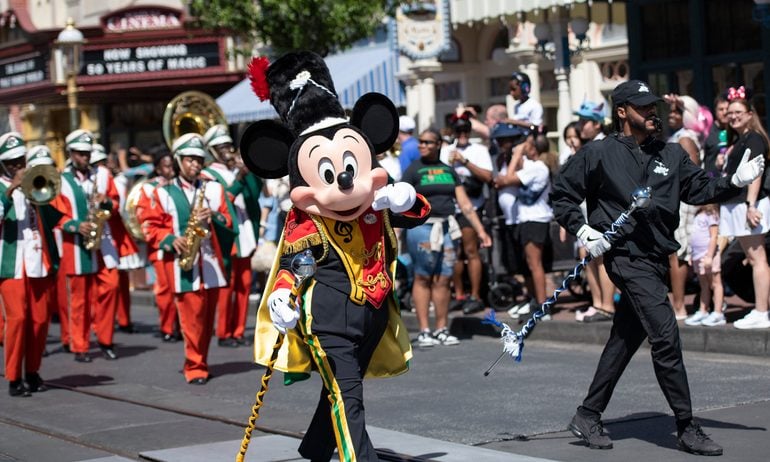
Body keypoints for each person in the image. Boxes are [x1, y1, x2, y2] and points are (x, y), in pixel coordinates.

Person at [552, 79, 764, 456]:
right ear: (622, 112)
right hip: (626, 256)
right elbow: (562, 196)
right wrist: (583, 230)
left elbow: (700, 189)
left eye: (654, 106)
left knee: (625, 339)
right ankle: (686, 426)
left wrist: (733, 182)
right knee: (665, 336)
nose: (653, 112)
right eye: (644, 107)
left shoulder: (671, 153)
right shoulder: (597, 153)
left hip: (656, 259)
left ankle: (587, 414)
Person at [143, 133, 235, 384]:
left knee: (206, 319)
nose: (195, 164)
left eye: (198, 159)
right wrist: (171, 240)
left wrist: (214, 216)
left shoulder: (214, 188)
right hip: (183, 264)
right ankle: (195, 366)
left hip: (211, 262)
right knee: (191, 319)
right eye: (190, 159)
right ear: (178, 161)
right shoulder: (163, 192)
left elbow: (229, 221)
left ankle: (200, 360)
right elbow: (149, 226)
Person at [51, 129, 140, 363]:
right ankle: (80, 345)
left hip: (104, 242)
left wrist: (107, 202)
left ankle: (105, 339)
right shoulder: (61, 180)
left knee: (110, 287)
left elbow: (116, 202)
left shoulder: (102, 174)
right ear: (71, 153)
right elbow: (55, 214)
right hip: (76, 245)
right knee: (79, 298)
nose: (85, 157)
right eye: (80, 153)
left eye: (87, 153)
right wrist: (74, 225)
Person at [402, 128, 492, 347]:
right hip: (421, 228)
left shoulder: (448, 170)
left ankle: (442, 328)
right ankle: (424, 330)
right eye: (421, 141)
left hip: (447, 227)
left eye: (428, 142)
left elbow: (465, 204)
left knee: (444, 278)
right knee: (423, 277)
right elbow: (401, 203)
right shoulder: (413, 170)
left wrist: (480, 231)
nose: (422, 145)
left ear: (438, 144)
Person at [0, 137, 60, 397]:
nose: (17, 166)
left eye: (20, 161)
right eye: (11, 162)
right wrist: (10, 191)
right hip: (10, 265)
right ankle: (14, 377)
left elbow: (53, 218)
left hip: (37, 261)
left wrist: (39, 197)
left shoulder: (33, 183)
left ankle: (32, 372)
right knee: (17, 319)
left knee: (40, 320)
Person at [201, 124, 261, 347]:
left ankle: (238, 331)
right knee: (228, 284)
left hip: (244, 231)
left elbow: (254, 195)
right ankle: (224, 332)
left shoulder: (236, 168)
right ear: (213, 151)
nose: (227, 151)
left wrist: (248, 172)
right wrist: (238, 179)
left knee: (244, 284)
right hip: (227, 233)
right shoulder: (207, 175)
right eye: (222, 147)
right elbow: (222, 201)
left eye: (228, 146)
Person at [719, 87, 770, 330]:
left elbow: (756, 173)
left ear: (750, 114)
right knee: (753, 257)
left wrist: (751, 205)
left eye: (738, 112)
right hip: (736, 204)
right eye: (730, 112)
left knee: (757, 258)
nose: (733, 116)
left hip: (748, 204)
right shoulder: (739, 140)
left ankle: (761, 312)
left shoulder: (754, 138)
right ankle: (762, 309)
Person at [494, 131, 553, 320]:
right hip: (525, 219)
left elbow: (506, 179)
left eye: (526, 146)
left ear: (533, 149)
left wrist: (517, 154)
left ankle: (543, 306)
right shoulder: (530, 166)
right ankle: (534, 300)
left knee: (535, 264)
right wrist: (517, 156)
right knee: (527, 264)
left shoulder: (538, 167)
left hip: (536, 219)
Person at [440, 112, 493, 314]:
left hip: (472, 207)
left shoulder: (479, 150)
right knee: (454, 253)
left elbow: (488, 177)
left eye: (466, 130)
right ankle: (460, 294)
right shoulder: (446, 151)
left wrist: (464, 161)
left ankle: (476, 295)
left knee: (471, 251)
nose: (462, 134)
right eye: (459, 130)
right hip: (450, 208)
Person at [135, 147, 179, 342]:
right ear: (158, 169)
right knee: (165, 290)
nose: (171, 170)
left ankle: (180, 326)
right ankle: (167, 327)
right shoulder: (149, 189)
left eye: (172, 166)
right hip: (161, 247)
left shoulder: (180, 185)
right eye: (166, 167)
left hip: (182, 246)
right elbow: (146, 220)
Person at [684, 204, 725, 326]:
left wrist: (709, 256)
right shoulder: (698, 214)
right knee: (704, 285)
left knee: (715, 284)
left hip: (708, 255)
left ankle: (718, 312)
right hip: (697, 255)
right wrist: (691, 254)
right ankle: (703, 310)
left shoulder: (712, 214)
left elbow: (714, 236)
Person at [704, 94, 730, 177]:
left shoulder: (736, 130)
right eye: (721, 109)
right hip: (712, 179)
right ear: (715, 111)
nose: (725, 112)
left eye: (727, 109)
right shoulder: (707, 131)